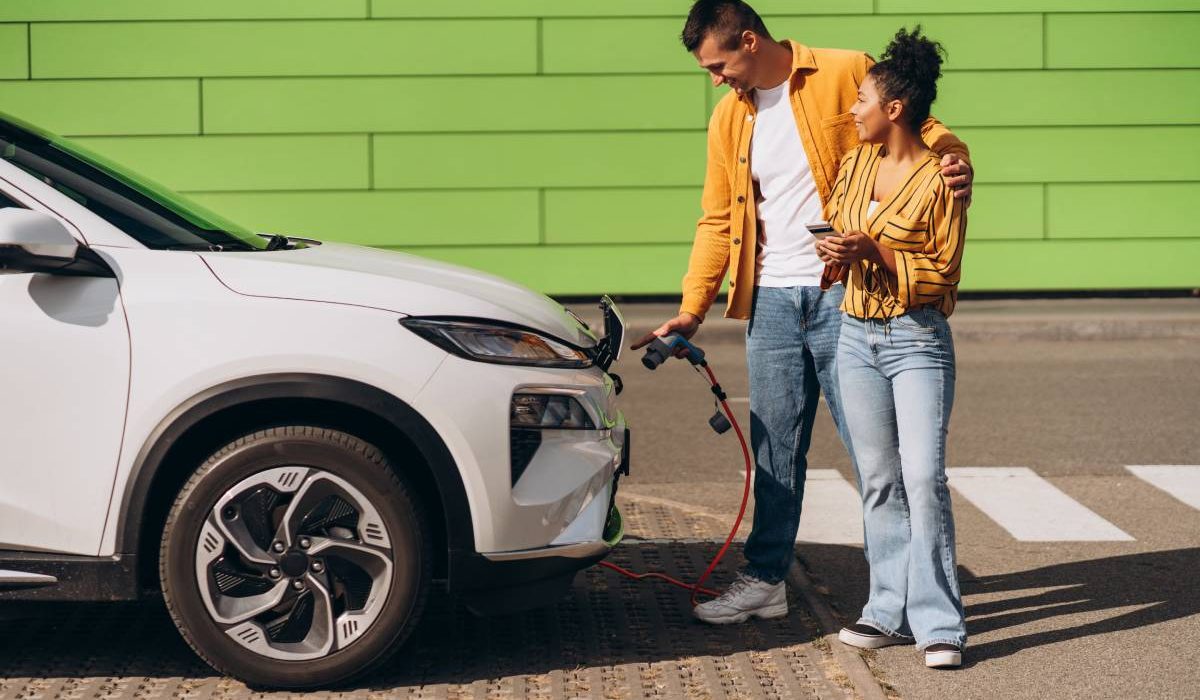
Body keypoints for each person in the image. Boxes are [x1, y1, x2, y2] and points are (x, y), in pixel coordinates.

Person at [630, 0, 973, 625]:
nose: (716, 79)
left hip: (847, 291)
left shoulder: (843, 73)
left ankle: (902, 598)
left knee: (881, 458)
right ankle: (767, 579)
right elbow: (716, 219)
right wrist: (692, 308)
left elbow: (924, 125)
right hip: (772, 297)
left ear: (751, 41)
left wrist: (953, 157)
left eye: (719, 64)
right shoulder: (728, 119)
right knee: (774, 446)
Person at [814, 26, 968, 669]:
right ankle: (885, 611)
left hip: (917, 342)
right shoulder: (854, 164)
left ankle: (939, 624)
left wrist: (874, 249)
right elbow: (835, 221)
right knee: (877, 479)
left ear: (894, 109)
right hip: (854, 335)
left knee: (923, 478)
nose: (853, 109)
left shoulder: (945, 180)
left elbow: (943, 271)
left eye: (862, 100)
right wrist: (833, 248)